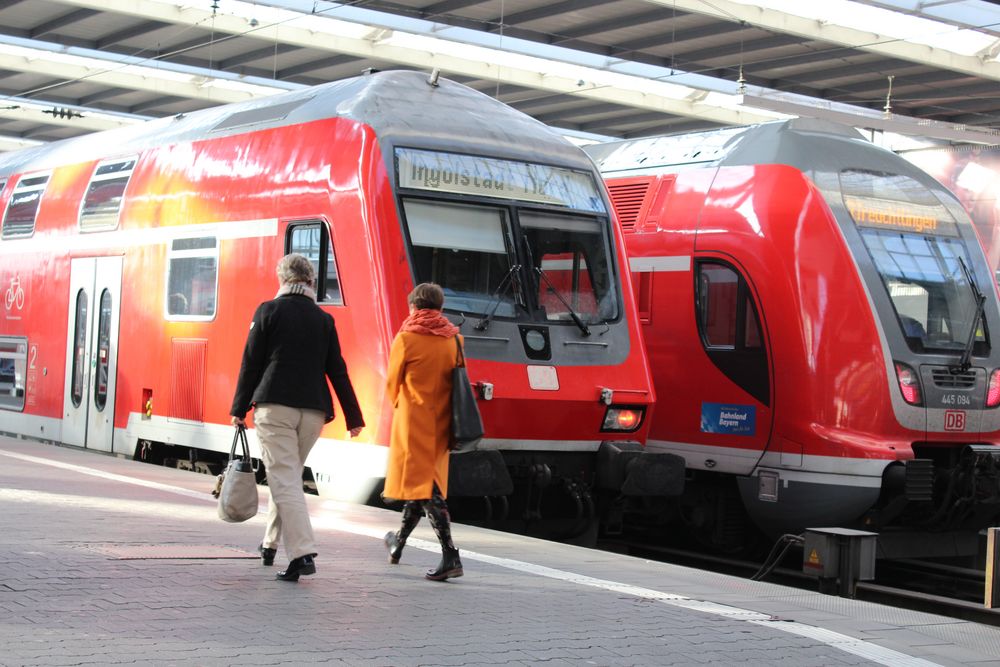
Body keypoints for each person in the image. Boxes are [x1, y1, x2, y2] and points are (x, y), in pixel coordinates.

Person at [230, 253, 364, 582]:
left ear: (281, 280)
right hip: (314, 412)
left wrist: (238, 408)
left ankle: (302, 553)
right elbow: (338, 370)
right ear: (311, 283)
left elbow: (251, 363)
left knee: (285, 479)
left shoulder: (268, 311)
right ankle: (270, 544)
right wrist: (353, 416)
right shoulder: (323, 319)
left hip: (275, 407)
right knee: (287, 476)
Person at [383, 282, 464, 581]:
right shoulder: (455, 340)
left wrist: (399, 405)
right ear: (440, 308)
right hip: (443, 424)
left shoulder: (406, 338)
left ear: (414, 307)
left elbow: (393, 385)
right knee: (422, 487)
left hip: (414, 422)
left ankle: (450, 555)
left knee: (428, 489)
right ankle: (397, 544)